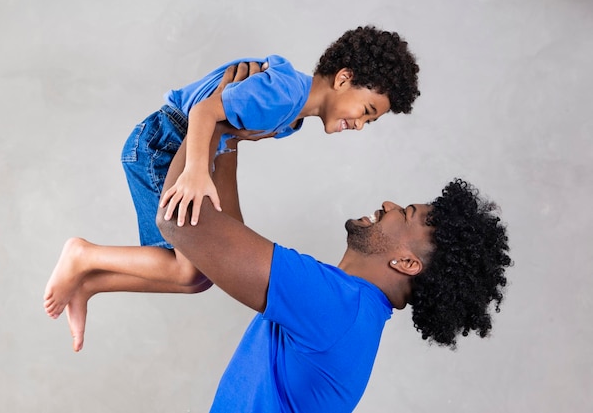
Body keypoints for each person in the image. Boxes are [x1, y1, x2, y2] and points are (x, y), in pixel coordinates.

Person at [43, 25, 421, 348]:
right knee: (186, 272)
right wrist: (194, 170)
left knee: (198, 278)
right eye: (366, 112)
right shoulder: (286, 95)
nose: (359, 125)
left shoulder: (291, 117)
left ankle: (90, 283)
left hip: (176, 143)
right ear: (343, 79)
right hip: (161, 144)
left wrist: (214, 159)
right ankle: (82, 256)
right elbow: (204, 111)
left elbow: (226, 132)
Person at [156, 141, 512, 412]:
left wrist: (209, 117)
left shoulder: (336, 304)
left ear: (406, 262)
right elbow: (226, 236)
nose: (388, 204)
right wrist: (228, 137)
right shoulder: (354, 310)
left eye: (405, 213)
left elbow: (179, 223)